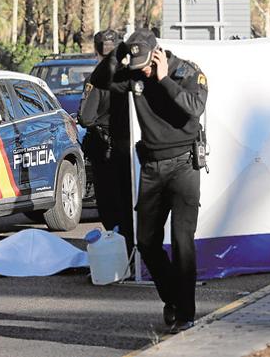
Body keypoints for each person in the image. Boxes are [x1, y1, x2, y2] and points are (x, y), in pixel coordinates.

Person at [90, 28, 208, 334]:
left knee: (183, 243)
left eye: (146, 62)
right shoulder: (134, 73)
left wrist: (164, 78)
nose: (141, 69)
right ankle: (173, 299)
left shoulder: (188, 72)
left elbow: (194, 109)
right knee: (146, 243)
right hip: (152, 168)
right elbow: (101, 81)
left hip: (184, 165)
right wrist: (116, 53)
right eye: (136, 63)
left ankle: (186, 313)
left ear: (158, 54)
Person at [78, 29, 133, 256]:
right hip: (129, 148)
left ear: (96, 50)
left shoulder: (97, 79)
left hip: (105, 149)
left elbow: (86, 117)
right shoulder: (132, 75)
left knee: (110, 206)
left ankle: (118, 253)